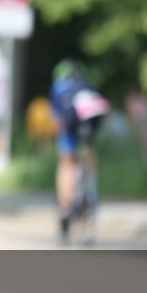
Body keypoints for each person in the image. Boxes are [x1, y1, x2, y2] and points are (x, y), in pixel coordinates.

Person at [49, 59, 108, 240]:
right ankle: (91, 191)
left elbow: (57, 120)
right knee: (89, 153)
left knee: (66, 163)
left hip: (70, 123)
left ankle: (65, 207)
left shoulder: (58, 87)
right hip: (91, 118)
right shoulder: (87, 85)